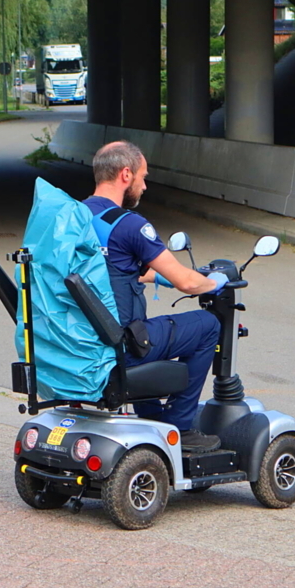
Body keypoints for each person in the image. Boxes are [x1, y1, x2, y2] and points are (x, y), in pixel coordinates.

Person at [84, 141, 228, 453]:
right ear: (126, 174)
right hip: (120, 347)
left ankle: (152, 417)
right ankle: (180, 426)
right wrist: (216, 281)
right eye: (142, 177)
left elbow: (108, 271)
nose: (145, 185)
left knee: (151, 330)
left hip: (84, 343)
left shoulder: (75, 219)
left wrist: (156, 276)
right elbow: (188, 283)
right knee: (206, 324)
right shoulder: (129, 224)